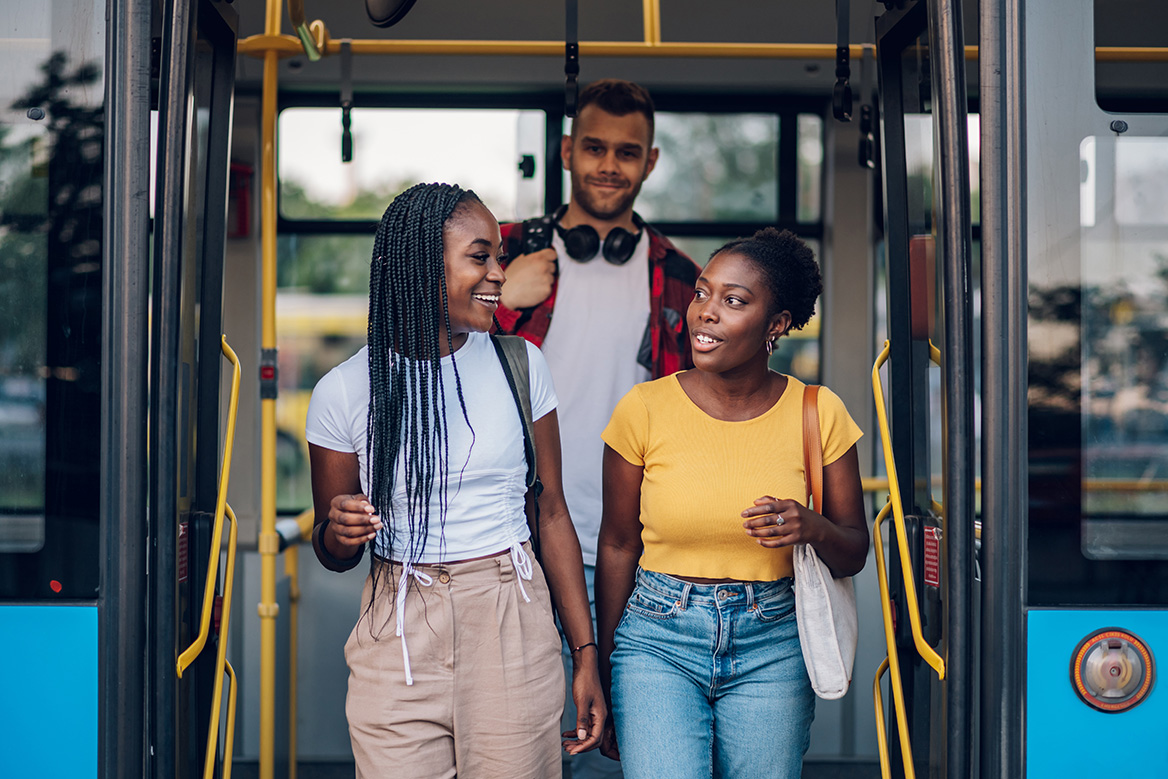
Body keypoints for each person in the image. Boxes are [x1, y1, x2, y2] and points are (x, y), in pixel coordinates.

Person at [305, 182, 605, 779]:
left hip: (509, 612)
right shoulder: (343, 390)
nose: (500, 273)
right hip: (399, 626)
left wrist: (586, 654)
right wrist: (340, 530)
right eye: (480, 257)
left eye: (499, 256)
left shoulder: (519, 363)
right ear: (421, 264)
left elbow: (551, 515)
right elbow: (333, 552)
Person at [595, 228, 869, 778]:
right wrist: (606, 671)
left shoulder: (819, 411)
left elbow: (854, 551)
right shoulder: (643, 408)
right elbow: (618, 544)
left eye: (733, 301)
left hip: (774, 639)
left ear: (777, 325)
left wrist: (810, 526)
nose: (706, 313)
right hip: (656, 639)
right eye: (701, 293)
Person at [494, 79, 699, 777]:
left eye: (627, 151)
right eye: (594, 147)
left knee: (630, 748)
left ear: (651, 162)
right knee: (528, 748)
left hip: (634, 552)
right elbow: (412, 338)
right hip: (516, 539)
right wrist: (499, 295)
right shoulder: (500, 255)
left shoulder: (682, 280)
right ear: (565, 152)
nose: (609, 164)